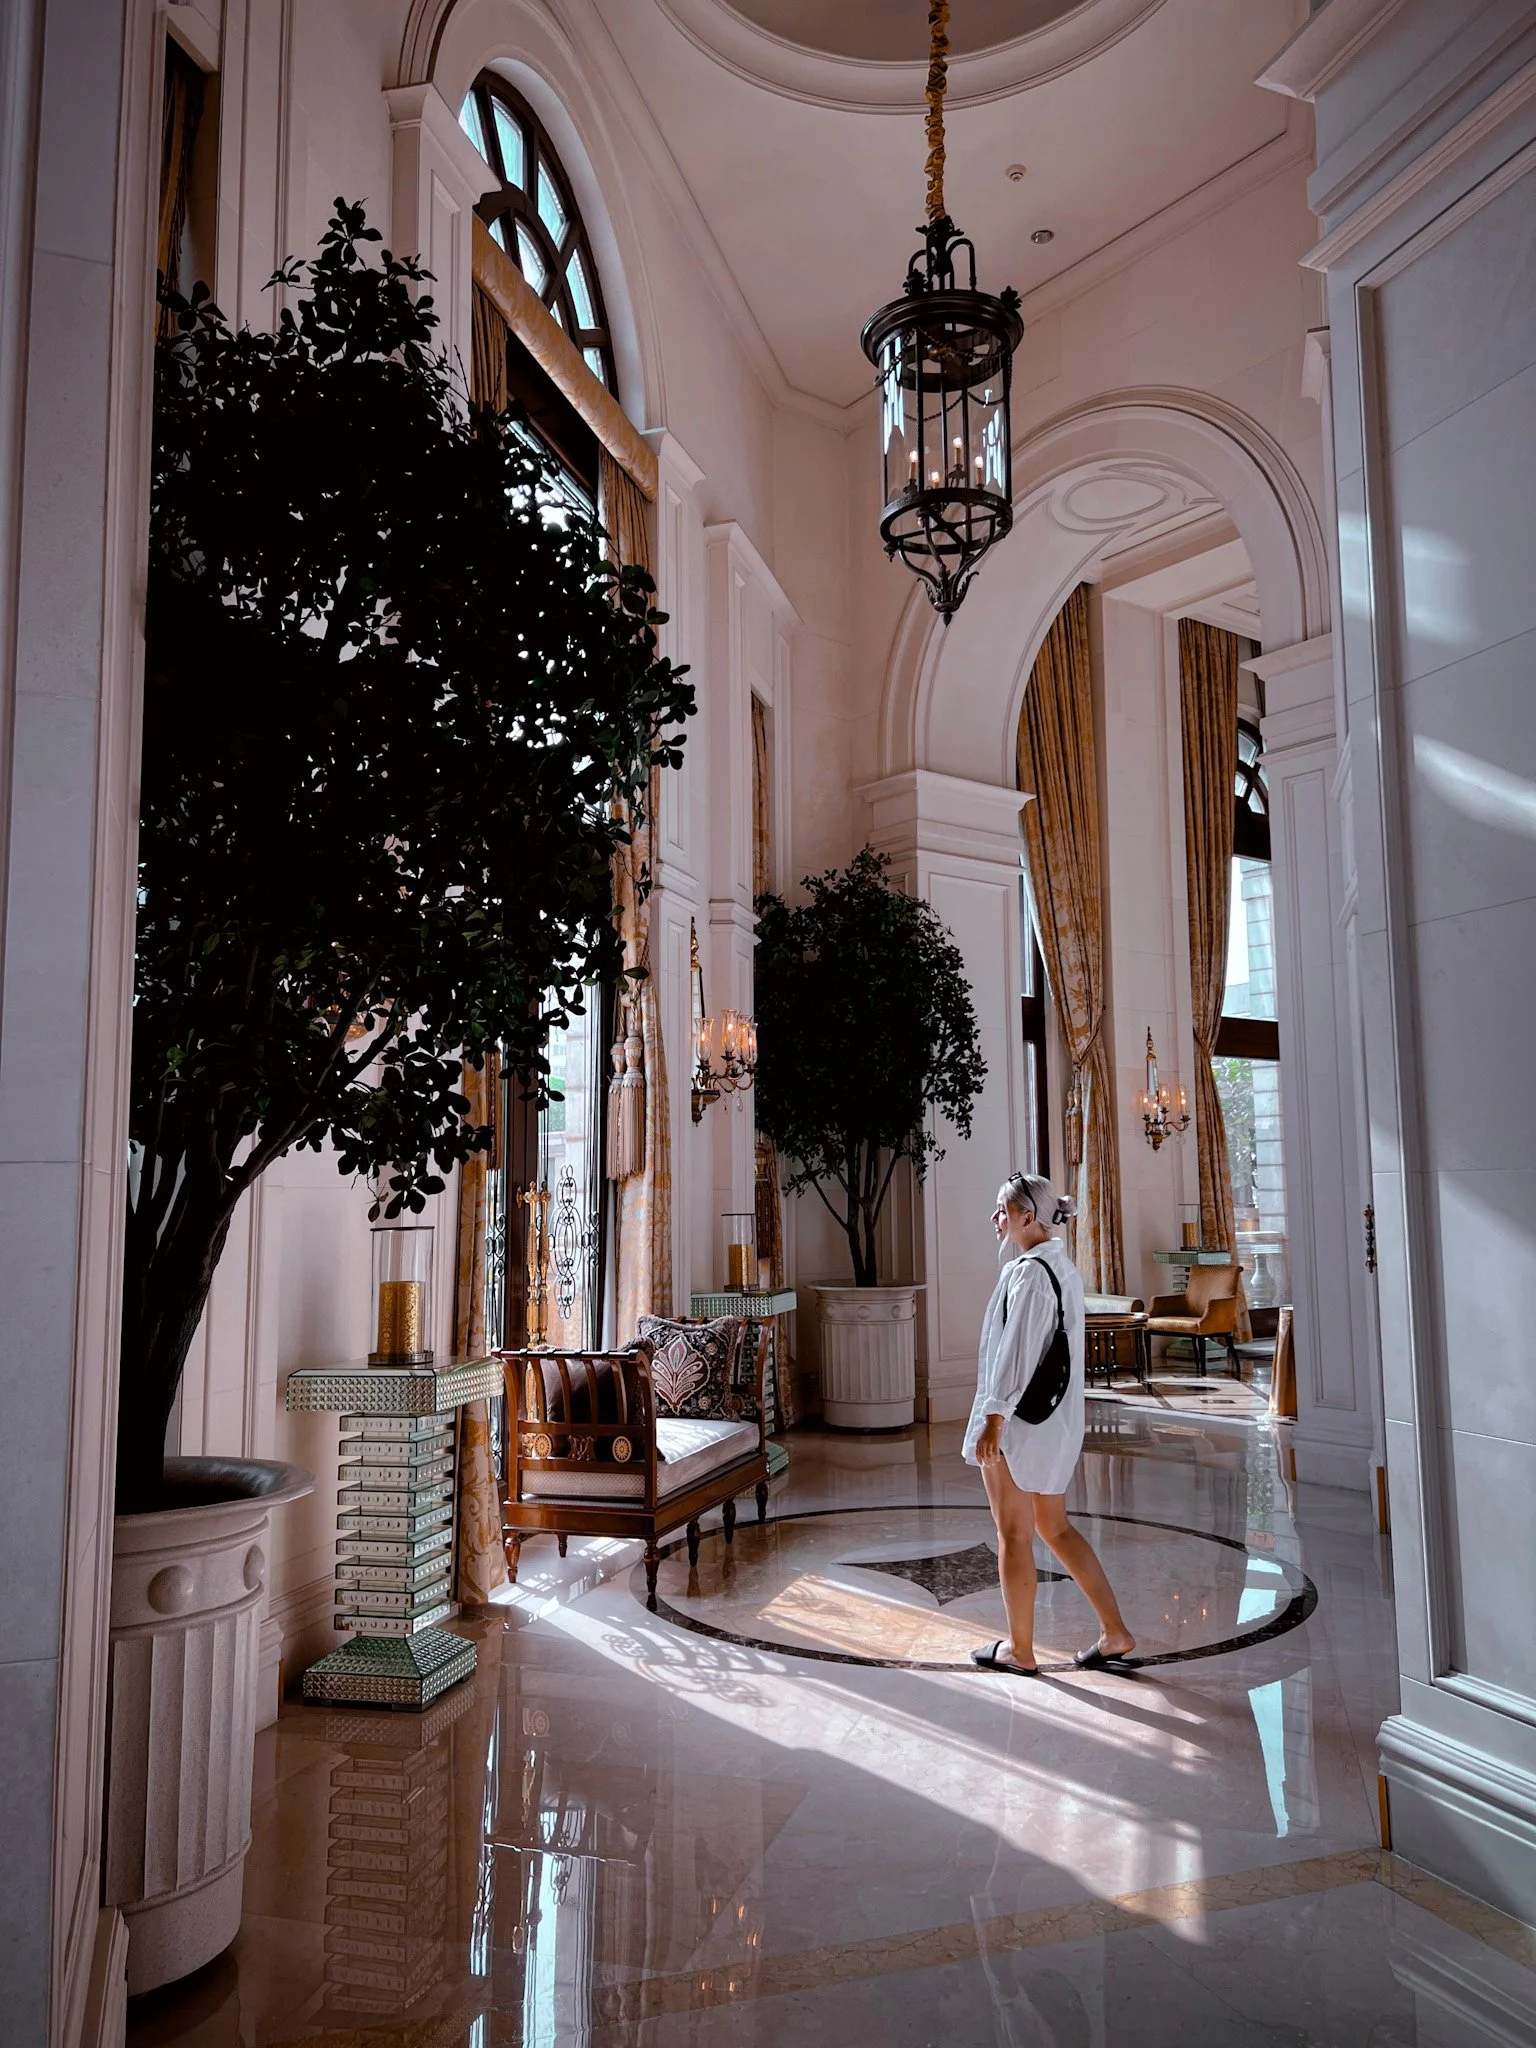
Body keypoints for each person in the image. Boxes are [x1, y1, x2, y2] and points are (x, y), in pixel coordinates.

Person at [964, 1172, 1137, 1677]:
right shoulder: (1059, 1268)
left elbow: (1015, 1355)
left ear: (1027, 1216)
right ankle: (1115, 1633)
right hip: (1053, 1422)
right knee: (1054, 1528)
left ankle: (1020, 1651)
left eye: (1002, 1209)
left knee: (1014, 1535)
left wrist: (993, 1418)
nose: (995, 1219)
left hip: (1019, 1425)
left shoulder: (1029, 1274)